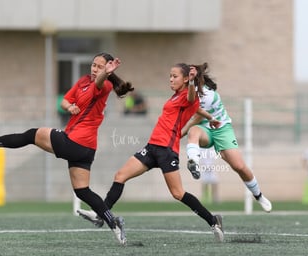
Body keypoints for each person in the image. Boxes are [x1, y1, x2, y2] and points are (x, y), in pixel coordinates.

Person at [0, 53, 134, 245]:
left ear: (107, 71)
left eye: (100, 67)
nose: (94, 69)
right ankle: (114, 223)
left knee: (32, 134)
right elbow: (65, 100)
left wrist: (106, 74)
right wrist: (70, 107)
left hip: (75, 141)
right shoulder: (84, 81)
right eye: (94, 65)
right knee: (82, 191)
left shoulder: (104, 85)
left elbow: (99, 83)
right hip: (86, 149)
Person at [78, 62, 225, 242]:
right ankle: (101, 215)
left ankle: (213, 220)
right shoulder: (176, 97)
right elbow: (197, 109)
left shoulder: (189, 95)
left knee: (178, 193)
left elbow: (193, 98)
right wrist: (210, 117)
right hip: (152, 147)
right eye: (170, 76)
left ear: (186, 79)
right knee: (120, 176)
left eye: (175, 76)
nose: (171, 79)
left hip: (167, 151)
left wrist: (193, 83)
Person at [181, 63, 272, 213]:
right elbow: (189, 107)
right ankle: (194, 163)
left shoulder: (207, 94)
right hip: (205, 129)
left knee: (239, 167)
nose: (173, 79)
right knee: (193, 132)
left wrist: (178, 135)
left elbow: (196, 116)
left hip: (221, 128)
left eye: (176, 76)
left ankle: (259, 196)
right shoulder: (187, 92)